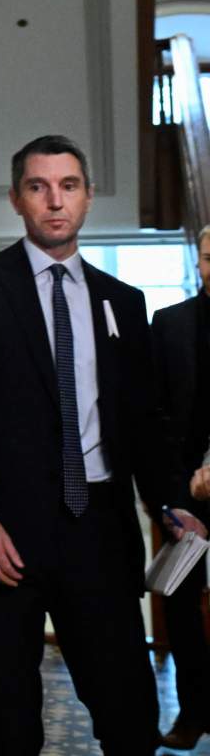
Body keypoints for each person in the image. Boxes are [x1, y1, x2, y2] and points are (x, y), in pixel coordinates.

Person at [0, 134, 204, 755]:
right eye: (39, 187)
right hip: (4, 535)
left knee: (128, 713)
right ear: (17, 200)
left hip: (100, 532)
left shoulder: (123, 302)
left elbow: (142, 420)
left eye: (69, 186)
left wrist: (169, 501)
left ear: (87, 197)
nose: (55, 201)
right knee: (7, 721)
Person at [151, 224, 210, 749]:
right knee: (181, 611)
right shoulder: (168, 324)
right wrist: (170, 497)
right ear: (199, 262)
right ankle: (193, 714)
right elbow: (154, 421)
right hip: (182, 502)